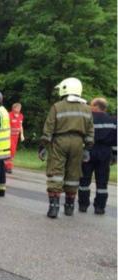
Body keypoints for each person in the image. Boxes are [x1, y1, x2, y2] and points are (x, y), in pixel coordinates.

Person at [39, 77, 94, 218]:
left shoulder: (57, 106)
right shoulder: (87, 108)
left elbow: (49, 127)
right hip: (78, 143)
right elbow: (90, 130)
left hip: (59, 141)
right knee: (73, 174)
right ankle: (69, 206)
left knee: (56, 172)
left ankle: (54, 207)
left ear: (65, 89)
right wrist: (87, 148)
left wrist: (44, 145)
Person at [78, 97, 116, 215]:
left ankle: (83, 205)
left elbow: (81, 136)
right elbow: (115, 141)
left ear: (96, 106)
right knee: (102, 182)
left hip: (88, 151)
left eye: (91, 105)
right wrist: (115, 155)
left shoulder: (87, 119)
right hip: (105, 153)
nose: (89, 106)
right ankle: (100, 207)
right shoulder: (113, 121)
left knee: (84, 180)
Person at [5, 103, 25, 173]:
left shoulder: (21, 116)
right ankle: (8, 167)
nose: (19, 109)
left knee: (13, 152)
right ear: (13, 108)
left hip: (16, 136)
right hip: (9, 136)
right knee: (10, 151)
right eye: (18, 108)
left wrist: (22, 134)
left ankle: (6, 165)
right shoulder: (9, 115)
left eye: (20, 108)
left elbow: (20, 125)